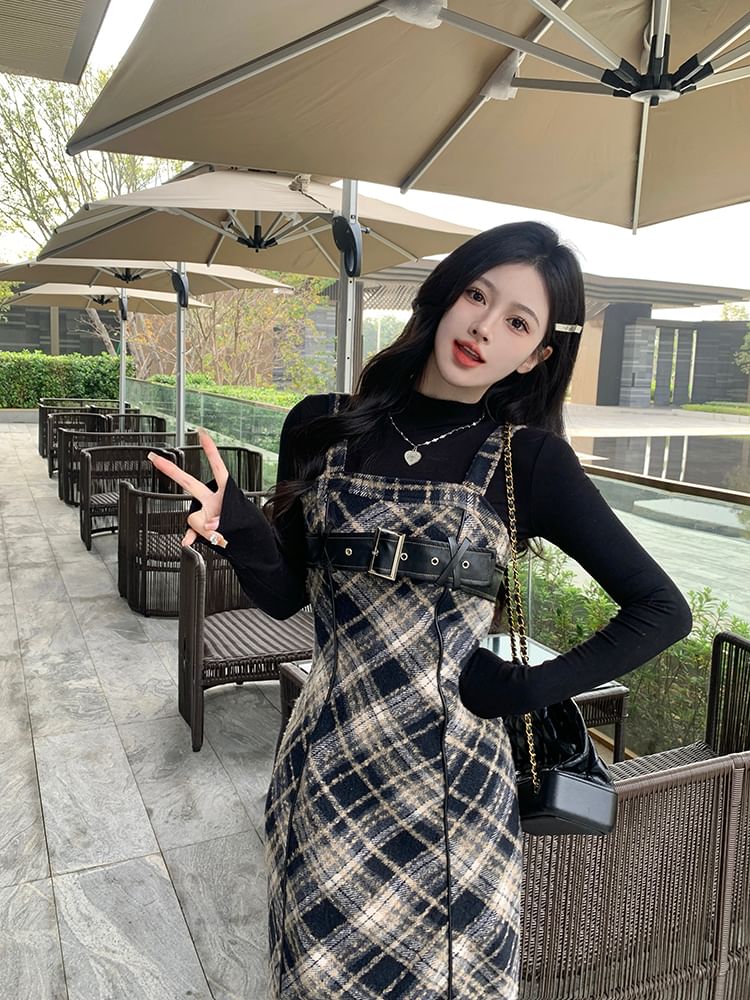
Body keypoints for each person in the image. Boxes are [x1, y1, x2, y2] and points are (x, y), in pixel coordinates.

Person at [149, 221, 692, 1000]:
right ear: (445, 296)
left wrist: (528, 687)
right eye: (477, 295)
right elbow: (287, 595)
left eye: (517, 322)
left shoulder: (528, 461)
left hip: (454, 794)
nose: (484, 327)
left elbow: (661, 609)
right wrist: (235, 528)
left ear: (535, 356)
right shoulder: (322, 425)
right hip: (325, 775)